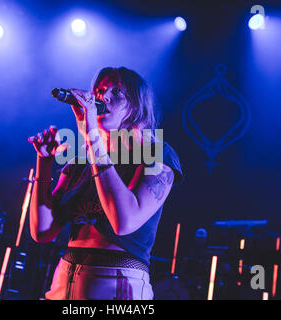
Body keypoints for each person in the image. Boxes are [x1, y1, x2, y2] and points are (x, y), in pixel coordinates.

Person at [29, 67, 183, 300]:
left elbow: (124, 221)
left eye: (116, 93)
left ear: (137, 106)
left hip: (118, 285)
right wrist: (44, 162)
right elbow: (42, 231)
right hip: (64, 281)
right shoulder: (82, 160)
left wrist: (91, 136)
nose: (104, 97)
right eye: (99, 91)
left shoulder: (157, 154)